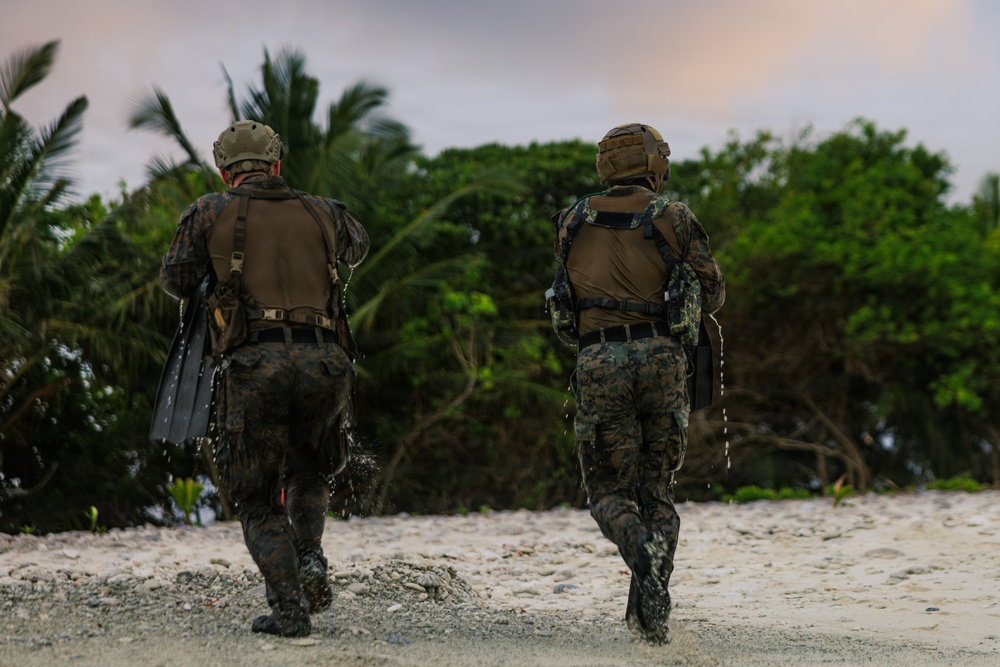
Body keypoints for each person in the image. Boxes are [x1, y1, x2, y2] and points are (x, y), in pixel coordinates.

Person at [160, 120, 369, 637]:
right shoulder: (325, 210)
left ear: (223, 170)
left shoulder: (209, 210)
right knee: (308, 471)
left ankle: (291, 610)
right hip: (325, 362)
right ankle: (311, 556)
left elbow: (176, 279)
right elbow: (358, 247)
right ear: (278, 164)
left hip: (255, 366)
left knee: (255, 497)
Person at [550, 123, 725, 644]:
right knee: (657, 491)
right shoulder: (674, 217)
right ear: (654, 165)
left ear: (605, 167)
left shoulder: (570, 221)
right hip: (664, 360)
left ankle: (643, 572)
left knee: (607, 492)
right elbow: (712, 293)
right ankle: (652, 616)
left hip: (599, 359)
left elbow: (564, 300)